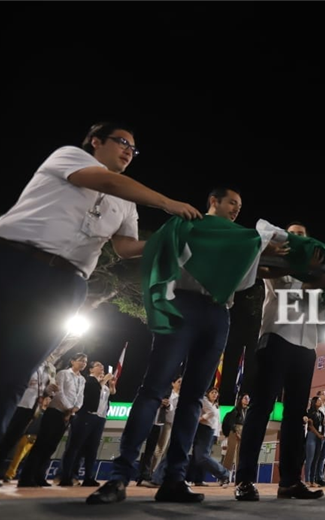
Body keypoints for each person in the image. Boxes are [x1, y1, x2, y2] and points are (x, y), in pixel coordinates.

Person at [0, 122, 202, 440]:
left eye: (133, 149)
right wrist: (167, 203)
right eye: (122, 142)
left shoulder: (126, 203)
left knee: (14, 376)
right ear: (95, 141)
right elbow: (106, 180)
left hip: (67, 284)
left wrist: (173, 240)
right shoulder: (69, 157)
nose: (128, 151)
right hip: (15, 260)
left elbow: (125, 248)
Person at [86, 187, 283, 505]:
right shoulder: (185, 223)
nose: (236, 208)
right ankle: (119, 478)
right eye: (232, 201)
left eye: (240, 205)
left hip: (218, 312)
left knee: (194, 398)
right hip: (183, 307)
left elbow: (254, 270)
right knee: (153, 389)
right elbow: (154, 251)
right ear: (213, 201)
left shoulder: (239, 238)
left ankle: (174, 480)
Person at [234, 222, 325, 502]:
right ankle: (245, 480)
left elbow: (317, 301)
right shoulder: (276, 261)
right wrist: (306, 268)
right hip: (276, 338)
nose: (297, 239)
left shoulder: (315, 268)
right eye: (293, 234)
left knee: (296, 414)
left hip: (307, 344)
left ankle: (290, 482)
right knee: (262, 407)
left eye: (302, 235)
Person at [18, 352, 88, 487]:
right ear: (72, 361)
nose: (83, 363)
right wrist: (68, 408)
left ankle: (39, 476)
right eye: (80, 360)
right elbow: (59, 393)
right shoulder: (63, 374)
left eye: (85, 361)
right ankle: (26, 477)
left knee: (51, 447)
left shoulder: (82, 380)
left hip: (67, 416)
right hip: (54, 412)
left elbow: (80, 398)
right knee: (41, 444)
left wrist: (74, 409)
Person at [59, 361, 115, 486]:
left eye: (102, 366)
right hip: (86, 415)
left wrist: (111, 385)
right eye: (98, 366)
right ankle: (66, 476)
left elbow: (110, 394)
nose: (102, 368)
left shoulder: (103, 384)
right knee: (75, 447)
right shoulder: (88, 381)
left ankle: (88, 477)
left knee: (92, 449)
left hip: (100, 418)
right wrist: (104, 380)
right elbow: (92, 391)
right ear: (91, 370)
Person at [0, 360, 57, 483]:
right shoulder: (27, 362)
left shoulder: (47, 368)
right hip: (17, 403)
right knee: (4, 435)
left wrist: (48, 391)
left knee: (11, 440)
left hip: (31, 407)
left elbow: (42, 388)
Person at [221, 393, 248, 475]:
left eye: (248, 398)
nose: (247, 400)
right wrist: (236, 432)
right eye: (245, 398)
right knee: (230, 453)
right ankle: (224, 475)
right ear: (241, 400)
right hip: (234, 431)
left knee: (240, 455)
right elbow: (231, 422)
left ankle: (239, 476)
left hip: (243, 430)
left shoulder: (247, 411)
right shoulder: (235, 410)